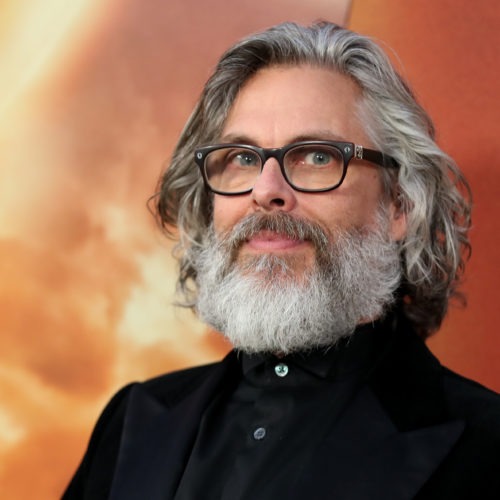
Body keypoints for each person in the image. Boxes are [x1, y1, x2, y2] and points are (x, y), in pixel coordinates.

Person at [63, 21, 500, 500]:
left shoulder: (485, 444)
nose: (266, 191)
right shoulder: (132, 421)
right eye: (243, 158)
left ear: (399, 206)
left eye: (316, 156)